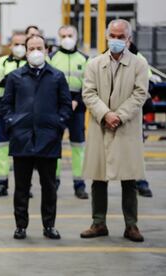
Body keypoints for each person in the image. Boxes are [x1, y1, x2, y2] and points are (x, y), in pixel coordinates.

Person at [80, 19, 148, 242]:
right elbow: (88, 93)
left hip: (125, 127)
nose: (116, 41)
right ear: (106, 36)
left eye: (121, 37)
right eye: (113, 36)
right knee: (98, 178)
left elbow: (140, 94)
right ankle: (98, 223)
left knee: (129, 178)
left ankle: (131, 225)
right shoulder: (94, 63)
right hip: (101, 126)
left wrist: (119, 115)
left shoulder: (139, 64)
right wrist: (105, 114)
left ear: (129, 40)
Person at [2, 34, 72, 240]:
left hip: (48, 140)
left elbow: (66, 105)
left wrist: (57, 126)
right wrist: (12, 124)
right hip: (22, 139)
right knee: (22, 187)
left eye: (39, 47)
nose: (35, 52)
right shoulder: (15, 77)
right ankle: (20, 226)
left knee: (49, 186)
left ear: (47, 50)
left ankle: (49, 225)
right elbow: (5, 105)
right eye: (31, 48)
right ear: (26, 51)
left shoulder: (57, 77)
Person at [49, 25, 89, 199]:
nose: (67, 38)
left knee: (78, 146)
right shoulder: (51, 58)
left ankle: (79, 184)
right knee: (54, 144)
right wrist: (64, 102)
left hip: (78, 107)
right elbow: (48, 84)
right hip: (56, 107)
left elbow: (89, 84)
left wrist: (77, 100)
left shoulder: (85, 59)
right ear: (58, 38)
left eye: (70, 35)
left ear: (76, 36)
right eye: (63, 35)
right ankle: (53, 181)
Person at [0, 32, 27, 198]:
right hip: (3, 111)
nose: (19, 47)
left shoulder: (33, 61)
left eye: (22, 44)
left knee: (24, 150)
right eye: (15, 44)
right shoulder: (2, 62)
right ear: (10, 45)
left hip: (25, 112)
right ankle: (0, 184)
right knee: (0, 148)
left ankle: (25, 186)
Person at [128, 41, 154, 198]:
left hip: (135, 113)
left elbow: (148, 85)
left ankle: (140, 182)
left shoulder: (140, 59)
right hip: (112, 113)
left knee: (136, 150)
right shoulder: (103, 59)